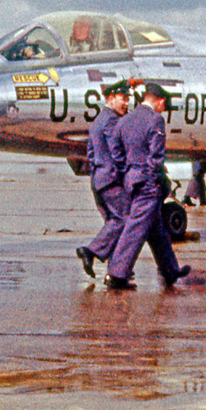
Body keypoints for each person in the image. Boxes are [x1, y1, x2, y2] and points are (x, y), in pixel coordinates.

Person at [104, 83, 191, 290]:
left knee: (157, 228)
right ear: (160, 101)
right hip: (148, 184)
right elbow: (156, 156)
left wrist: (128, 172)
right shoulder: (155, 120)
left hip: (132, 180)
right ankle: (116, 274)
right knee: (135, 228)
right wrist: (154, 178)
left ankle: (171, 270)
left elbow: (115, 151)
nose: (164, 110)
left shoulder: (125, 120)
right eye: (164, 106)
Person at [76, 79, 131, 278]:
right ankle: (90, 251)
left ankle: (115, 271)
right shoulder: (111, 120)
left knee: (113, 222)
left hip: (98, 179)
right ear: (111, 98)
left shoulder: (98, 120)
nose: (126, 103)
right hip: (111, 180)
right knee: (125, 218)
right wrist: (125, 174)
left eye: (128, 99)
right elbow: (117, 152)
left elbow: (90, 152)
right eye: (123, 98)